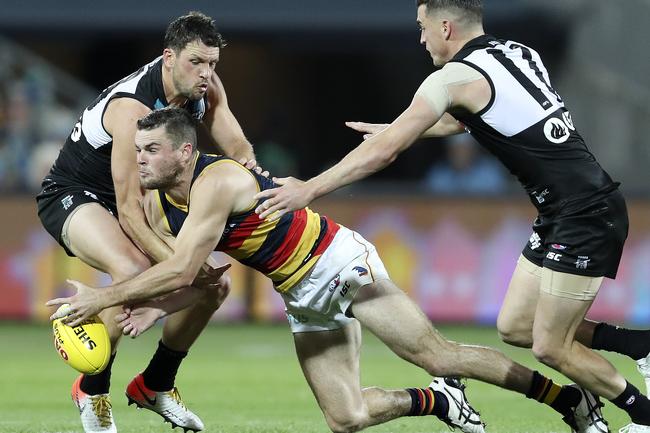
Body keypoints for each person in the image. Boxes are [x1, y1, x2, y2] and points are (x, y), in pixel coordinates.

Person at [50, 107, 611, 433]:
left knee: (437, 352)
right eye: (137, 149)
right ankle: (441, 401)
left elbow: (181, 268)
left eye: (149, 149)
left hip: (336, 262)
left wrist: (103, 300)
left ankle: (569, 402)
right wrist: (149, 305)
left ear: (182, 151)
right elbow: (201, 278)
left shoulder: (214, 183)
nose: (137, 158)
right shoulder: (161, 202)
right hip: (300, 291)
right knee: (345, 418)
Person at [251, 1, 650, 432]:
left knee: (550, 347)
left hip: (584, 213)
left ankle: (642, 414)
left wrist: (309, 188)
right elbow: (470, 122)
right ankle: (636, 344)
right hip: (563, 210)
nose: (421, 39)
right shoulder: (518, 53)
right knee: (515, 326)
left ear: (445, 27)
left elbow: (385, 152)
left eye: (422, 28)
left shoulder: (452, 77)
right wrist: (402, 127)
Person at [36, 11, 254, 433]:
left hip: (141, 195)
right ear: (168, 57)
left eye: (213, 64)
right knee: (136, 270)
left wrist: (256, 175)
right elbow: (130, 212)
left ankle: (156, 384)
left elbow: (232, 137)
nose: (206, 73)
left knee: (216, 286)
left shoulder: (202, 83)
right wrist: (183, 267)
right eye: (197, 62)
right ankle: (92, 390)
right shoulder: (131, 108)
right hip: (73, 193)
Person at [424, 133, 507, 195]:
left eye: (465, 149)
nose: (460, 154)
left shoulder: (490, 173)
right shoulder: (438, 175)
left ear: (474, 151)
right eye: (455, 149)